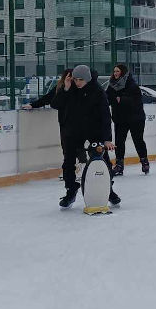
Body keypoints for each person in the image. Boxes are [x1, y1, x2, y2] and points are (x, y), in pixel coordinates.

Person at [50, 64, 119, 208]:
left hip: (94, 131)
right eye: (75, 79)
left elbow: (106, 116)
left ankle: (109, 190)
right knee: (68, 161)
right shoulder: (71, 88)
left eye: (80, 80)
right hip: (73, 131)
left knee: (103, 160)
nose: (78, 82)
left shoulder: (98, 91)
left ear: (87, 79)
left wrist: (107, 139)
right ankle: (71, 191)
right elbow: (56, 104)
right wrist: (66, 88)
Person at [21, 69, 86, 176]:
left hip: (78, 122)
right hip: (65, 122)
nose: (71, 80)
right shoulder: (60, 88)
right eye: (68, 77)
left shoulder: (80, 89)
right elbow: (50, 100)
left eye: (73, 77)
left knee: (78, 146)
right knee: (66, 147)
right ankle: (69, 170)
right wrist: (33, 105)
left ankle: (83, 168)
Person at [106, 64, 150, 176]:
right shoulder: (112, 85)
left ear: (123, 72)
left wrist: (121, 100)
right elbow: (108, 98)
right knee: (119, 142)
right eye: (114, 71)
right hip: (120, 119)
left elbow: (136, 101)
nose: (115, 73)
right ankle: (119, 165)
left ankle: (144, 161)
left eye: (118, 71)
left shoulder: (132, 85)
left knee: (138, 140)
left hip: (136, 118)